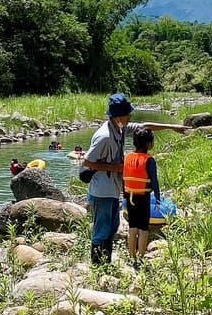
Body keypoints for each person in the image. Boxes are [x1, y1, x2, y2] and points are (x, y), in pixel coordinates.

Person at [81, 93, 191, 265]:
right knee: (101, 231)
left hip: (112, 189)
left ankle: (106, 264)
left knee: (112, 227)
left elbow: (144, 126)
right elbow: (87, 161)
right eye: (128, 114)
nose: (130, 117)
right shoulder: (104, 136)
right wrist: (116, 168)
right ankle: (97, 267)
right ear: (118, 116)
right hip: (101, 191)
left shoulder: (120, 127)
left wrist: (172, 126)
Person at [122, 127, 161, 265]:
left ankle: (131, 256)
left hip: (129, 196)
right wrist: (158, 197)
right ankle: (141, 258)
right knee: (143, 228)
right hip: (143, 197)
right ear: (149, 144)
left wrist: (124, 195)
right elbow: (154, 181)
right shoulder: (149, 160)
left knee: (132, 227)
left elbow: (124, 178)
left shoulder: (127, 157)